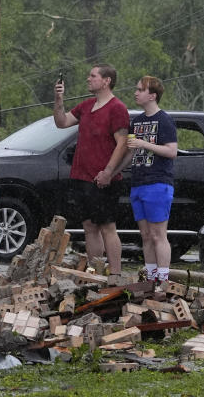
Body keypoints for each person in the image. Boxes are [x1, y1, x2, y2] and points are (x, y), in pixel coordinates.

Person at [98, 75, 178, 283]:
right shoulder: (138, 121)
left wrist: (145, 144)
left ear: (152, 95)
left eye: (140, 90)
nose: (136, 93)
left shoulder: (164, 120)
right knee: (145, 234)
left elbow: (171, 151)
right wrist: (115, 171)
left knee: (158, 234)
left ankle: (163, 280)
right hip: (138, 183)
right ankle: (150, 278)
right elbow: (131, 153)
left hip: (158, 183)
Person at [54, 64, 130, 280]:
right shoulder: (87, 106)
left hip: (103, 179)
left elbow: (122, 143)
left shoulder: (117, 108)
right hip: (81, 176)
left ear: (106, 81)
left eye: (93, 76)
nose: (88, 79)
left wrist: (108, 171)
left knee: (107, 226)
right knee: (89, 226)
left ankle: (115, 274)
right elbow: (62, 122)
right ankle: (95, 274)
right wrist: (58, 99)